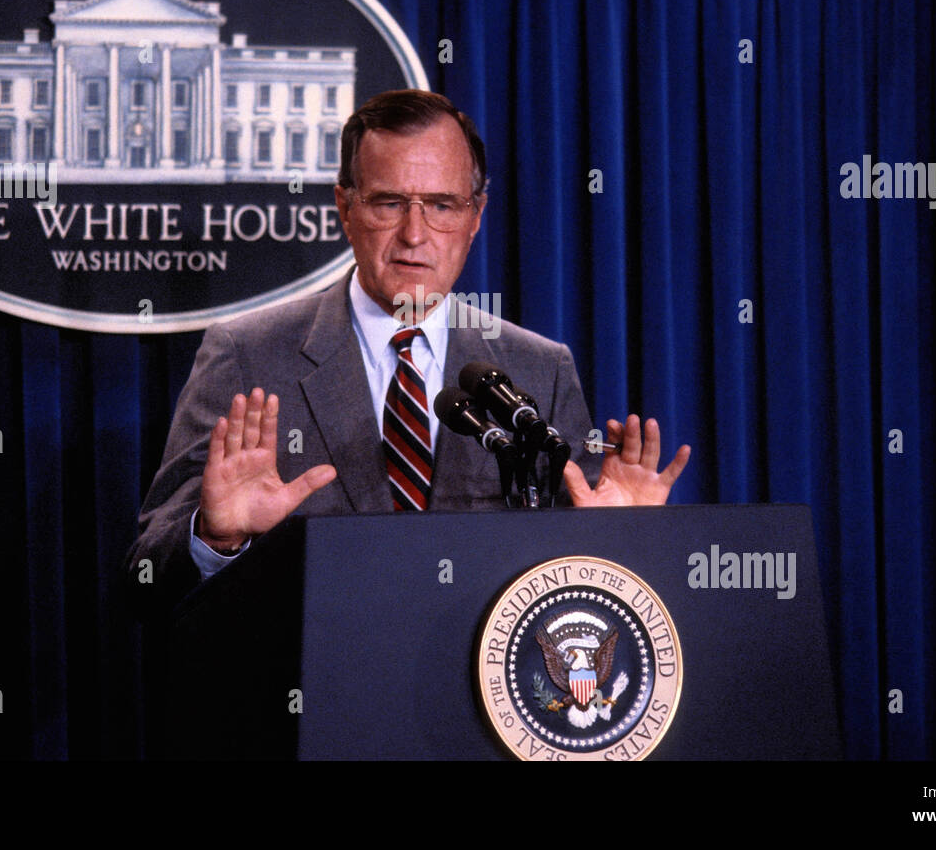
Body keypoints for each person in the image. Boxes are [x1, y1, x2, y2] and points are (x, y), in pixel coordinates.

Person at [126, 90, 690, 619]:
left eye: (443, 205)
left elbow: (581, 598)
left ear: (475, 218)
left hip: (482, 710)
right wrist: (217, 536)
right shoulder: (248, 355)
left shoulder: (539, 369)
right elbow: (145, 575)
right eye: (389, 202)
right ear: (344, 207)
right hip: (309, 704)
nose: (415, 234)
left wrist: (622, 539)